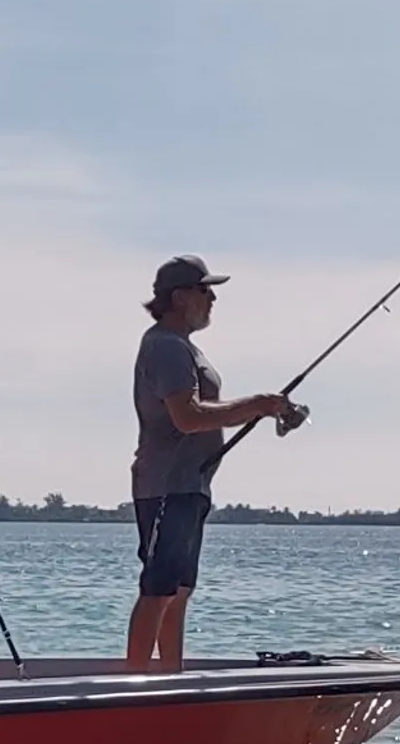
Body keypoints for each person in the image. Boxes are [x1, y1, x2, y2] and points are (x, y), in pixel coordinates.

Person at [128, 255, 304, 671]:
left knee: (180, 590)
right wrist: (256, 406)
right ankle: (133, 686)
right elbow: (187, 417)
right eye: (206, 291)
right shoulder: (166, 347)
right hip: (167, 485)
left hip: (191, 484)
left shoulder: (184, 347)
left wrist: (258, 409)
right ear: (180, 297)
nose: (212, 299)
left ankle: (171, 676)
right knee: (158, 588)